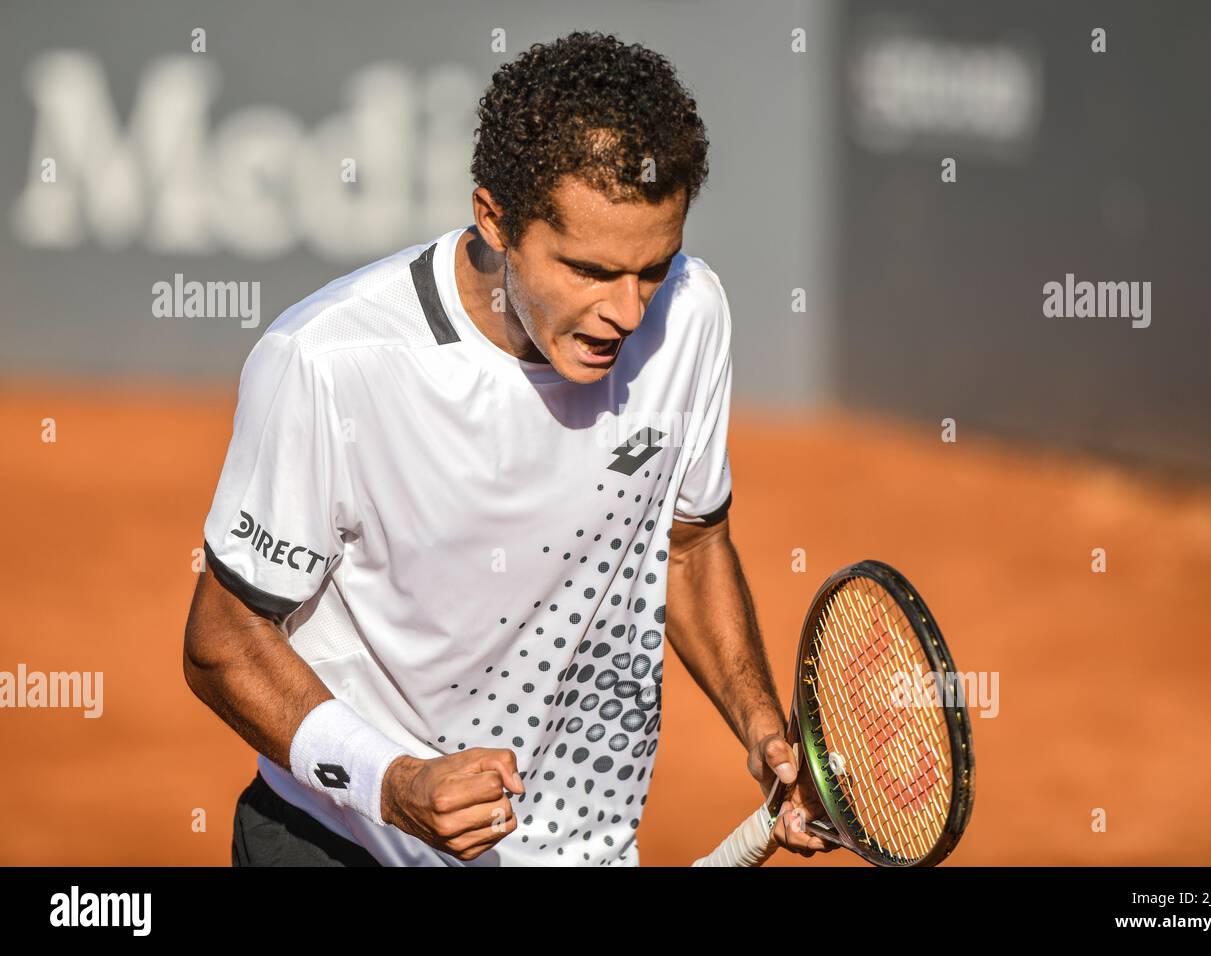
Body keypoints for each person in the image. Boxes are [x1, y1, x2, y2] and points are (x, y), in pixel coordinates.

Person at [183, 30, 830, 866]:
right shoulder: (329, 364)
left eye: (652, 269)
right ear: (495, 219)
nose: (628, 314)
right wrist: (395, 783)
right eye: (589, 271)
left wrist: (760, 724)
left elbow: (691, 545)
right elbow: (223, 641)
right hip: (340, 846)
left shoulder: (692, 317)